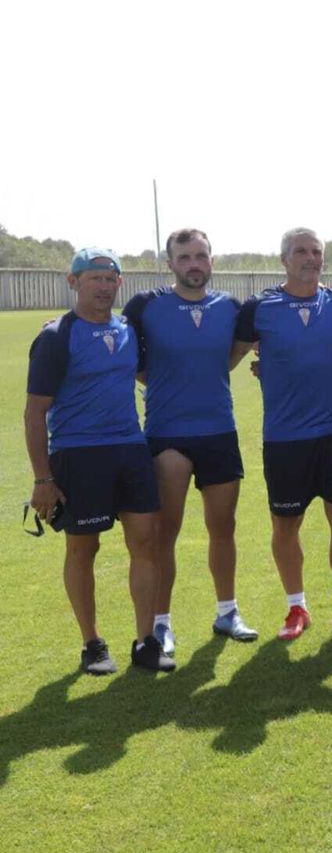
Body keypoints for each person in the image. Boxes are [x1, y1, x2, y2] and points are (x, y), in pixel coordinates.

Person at [26, 249, 166, 674]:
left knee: (145, 541)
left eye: (111, 279)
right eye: (94, 279)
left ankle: (145, 642)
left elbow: (149, 370)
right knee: (83, 547)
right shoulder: (55, 337)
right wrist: (42, 479)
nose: (104, 287)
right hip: (77, 454)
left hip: (131, 450)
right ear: (74, 282)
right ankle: (92, 644)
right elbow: (34, 412)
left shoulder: (126, 328)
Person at [122, 228, 255, 650]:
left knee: (223, 527)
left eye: (200, 256)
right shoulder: (146, 306)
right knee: (166, 532)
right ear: (170, 264)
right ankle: (161, 622)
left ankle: (227, 612)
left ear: (212, 260)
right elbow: (133, 362)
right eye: (184, 258)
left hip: (219, 430)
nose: (193, 264)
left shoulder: (230, 307)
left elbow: (232, 356)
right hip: (167, 434)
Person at [233, 228, 332, 642]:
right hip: (285, 437)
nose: (310, 258)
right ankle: (297, 606)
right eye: (300, 251)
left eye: (316, 251)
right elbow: (222, 357)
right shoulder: (258, 308)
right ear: (283, 259)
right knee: (286, 523)